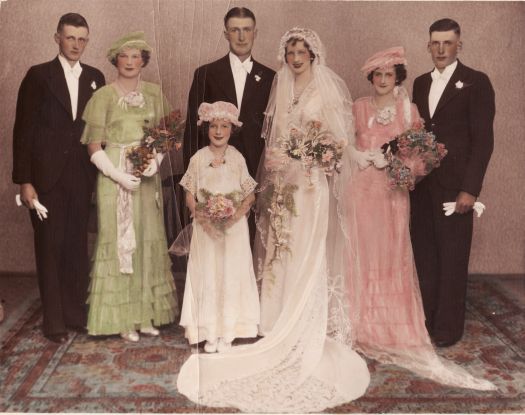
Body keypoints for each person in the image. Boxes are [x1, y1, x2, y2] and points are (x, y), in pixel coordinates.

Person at [176, 28, 370, 413]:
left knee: (305, 247)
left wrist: (324, 157)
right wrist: (279, 161)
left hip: (311, 186)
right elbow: (275, 138)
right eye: (291, 51)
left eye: (302, 52)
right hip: (283, 184)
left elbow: (336, 138)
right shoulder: (280, 85)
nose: (296, 58)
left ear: (313, 54)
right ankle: (275, 319)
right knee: (281, 248)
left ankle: (304, 320)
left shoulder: (325, 87)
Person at [344, 47, 495, 390]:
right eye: (377, 75)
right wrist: (358, 154)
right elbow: (343, 144)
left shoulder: (408, 110)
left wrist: (399, 168)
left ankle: (390, 324)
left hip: (392, 193)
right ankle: (360, 322)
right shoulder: (358, 107)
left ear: (398, 78)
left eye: (389, 75)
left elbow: (423, 155)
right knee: (362, 253)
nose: (383, 81)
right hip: (360, 191)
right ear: (371, 79)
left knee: (391, 253)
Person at [12, 13, 105, 343]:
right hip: (45, 179)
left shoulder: (96, 77)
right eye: (70, 38)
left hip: (81, 177)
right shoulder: (38, 76)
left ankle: (74, 314)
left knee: (76, 246)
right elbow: (23, 131)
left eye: (82, 39)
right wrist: (25, 181)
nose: (76, 45)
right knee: (50, 247)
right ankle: (54, 321)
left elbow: (98, 129)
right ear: (57, 38)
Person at [81, 32, 177, 342]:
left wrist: (156, 160)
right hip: (115, 175)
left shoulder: (154, 92)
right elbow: (93, 146)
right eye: (125, 56)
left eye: (137, 57)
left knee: (148, 239)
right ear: (116, 61)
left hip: (145, 174)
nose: (131, 62)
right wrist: (116, 175)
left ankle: (145, 315)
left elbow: (166, 132)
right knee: (118, 240)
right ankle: (122, 319)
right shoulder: (103, 96)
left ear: (144, 62)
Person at [411, 18, 495, 347]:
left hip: (455, 188)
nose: (441, 49)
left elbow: (483, 141)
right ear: (428, 45)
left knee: (452, 256)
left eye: (448, 43)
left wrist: (470, 190)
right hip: (423, 186)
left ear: (459, 44)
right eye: (435, 43)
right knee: (425, 254)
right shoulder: (419, 83)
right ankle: (428, 321)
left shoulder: (476, 82)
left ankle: (448, 329)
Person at [179, 6, 275, 240]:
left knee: (249, 235)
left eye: (247, 30)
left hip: (254, 167)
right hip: (215, 170)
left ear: (255, 33)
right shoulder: (205, 73)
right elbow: (193, 129)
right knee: (214, 233)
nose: (241, 36)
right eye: (235, 30)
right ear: (225, 34)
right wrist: (193, 178)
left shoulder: (272, 77)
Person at [179, 101, 260, 353]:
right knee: (209, 273)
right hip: (206, 227)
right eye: (213, 126)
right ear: (206, 128)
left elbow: (250, 194)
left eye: (224, 126)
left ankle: (229, 331)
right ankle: (209, 331)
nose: (218, 131)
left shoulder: (237, 158)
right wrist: (201, 214)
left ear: (231, 129)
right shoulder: (198, 158)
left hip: (233, 227)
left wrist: (236, 214)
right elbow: (189, 194)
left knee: (230, 273)